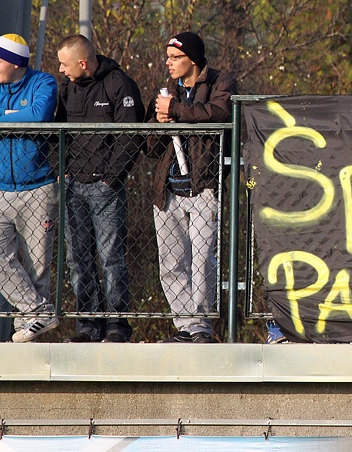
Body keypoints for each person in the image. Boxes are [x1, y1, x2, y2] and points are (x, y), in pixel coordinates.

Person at [146, 31, 237, 343]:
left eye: (176, 58)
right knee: (170, 263)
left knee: (201, 261)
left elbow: (217, 113)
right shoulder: (167, 91)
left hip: (203, 186)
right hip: (168, 190)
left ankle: (202, 325)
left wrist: (175, 111)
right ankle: (187, 325)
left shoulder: (220, 82)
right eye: (168, 58)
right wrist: (159, 123)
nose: (169, 63)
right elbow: (150, 146)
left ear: (193, 60)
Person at [56, 34, 145, 343]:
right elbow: (57, 131)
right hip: (73, 186)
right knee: (78, 260)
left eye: (65, 64)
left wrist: (111, 178)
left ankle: (118, 326)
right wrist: (62, 171)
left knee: (111, 258)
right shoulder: (67, 87)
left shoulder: (118, 83)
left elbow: (131, 134)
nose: (61, 70)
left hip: (105, 188)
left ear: (83, 62)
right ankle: (88, 326)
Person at [0, 34, 59, 342]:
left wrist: (7, 117)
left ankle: (31, 328)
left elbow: (38, 115)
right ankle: (37, 311)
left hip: (38, 188)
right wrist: (13, 118)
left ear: (14, 62)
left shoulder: (43, 83)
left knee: (38, 267)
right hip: (1, 188)